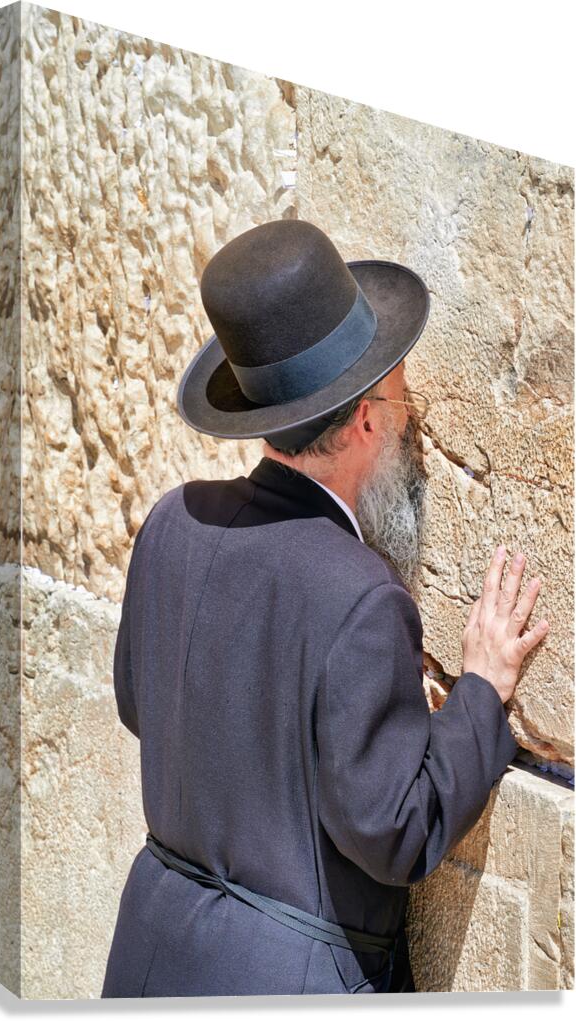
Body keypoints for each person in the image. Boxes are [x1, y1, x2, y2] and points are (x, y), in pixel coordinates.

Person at [101, 219, 549, 998]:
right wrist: (480, 690)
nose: (413, 428)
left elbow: (144, 706)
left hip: (149, 957)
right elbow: (399, 829)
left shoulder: (171, 522)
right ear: (369, 418)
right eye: (405, 403)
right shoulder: (361, 594)